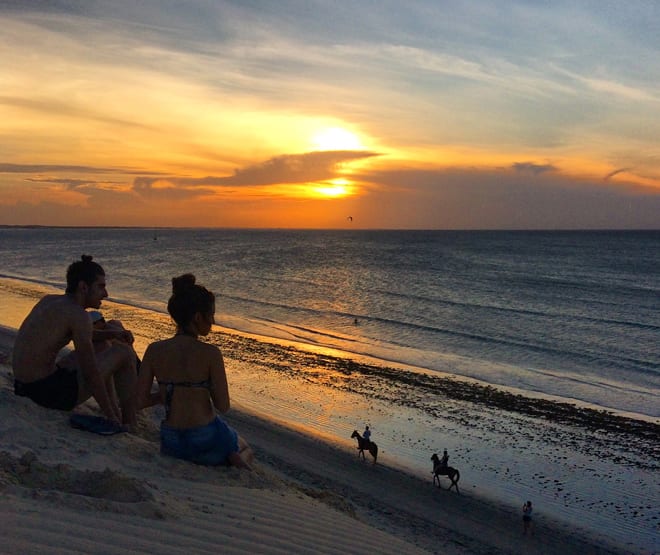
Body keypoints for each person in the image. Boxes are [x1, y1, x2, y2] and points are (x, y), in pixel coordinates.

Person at [136, 273, 253, 470]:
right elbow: (223, 406)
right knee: (245, 446)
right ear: (198, 317)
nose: (213, 322)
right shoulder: (210, 353)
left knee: (197, 440)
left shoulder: (154, 350)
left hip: (171, 440)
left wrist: (166, 392)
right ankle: (233, 458)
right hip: (205, 436)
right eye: (211, 315)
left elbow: (139, 401)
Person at [12, 255, 137, 429]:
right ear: (83, 287)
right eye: (101, 287)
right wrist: (110, 418)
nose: (106, 294)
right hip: (46, 393)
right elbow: (91, 373)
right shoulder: (78, 315)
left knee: (103, 345)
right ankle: (127, 421)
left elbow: (81, 335)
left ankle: (116, 409)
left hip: (23, 386)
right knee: (124, 352)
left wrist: (111, 333)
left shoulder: (50, 300)